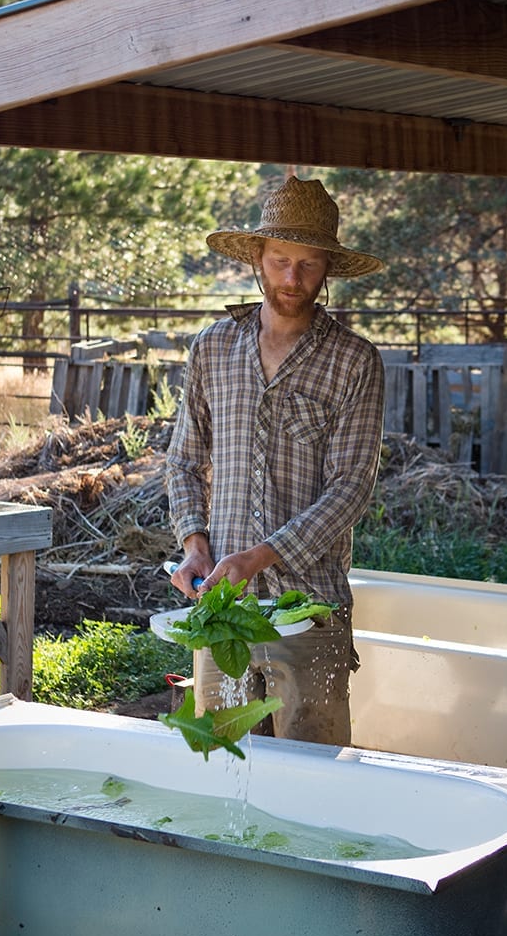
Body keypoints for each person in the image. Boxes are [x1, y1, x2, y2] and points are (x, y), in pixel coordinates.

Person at [165, 175, 385, 745]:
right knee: (224, 757)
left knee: (312, 780)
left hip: (310, 609)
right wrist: (194, 546)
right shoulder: (212, 348)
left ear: (328, 268)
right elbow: (184, 462)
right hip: (223, 609)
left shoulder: (354, 361)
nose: (293, 278)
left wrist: (260, 557)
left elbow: (351, 488)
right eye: (281, 260)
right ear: (257, 257)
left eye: (309, 264)